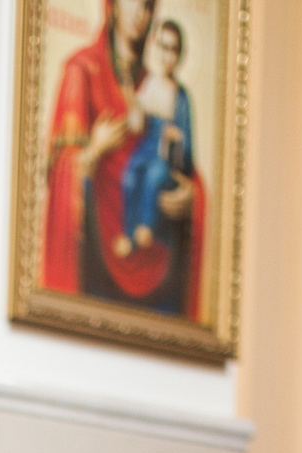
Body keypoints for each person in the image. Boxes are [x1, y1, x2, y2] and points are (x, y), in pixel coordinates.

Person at [41, 0, 205, 318]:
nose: (138, 14)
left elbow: (182, 163)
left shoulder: (159, 87)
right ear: (112, 5)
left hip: (160, 261)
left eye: (146, 5)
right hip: (98, 259)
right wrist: (93, 150)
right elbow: (62, 168)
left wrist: (191, 195)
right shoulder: (82, 69)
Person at [116, 20, 192, 261]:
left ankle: (145, 227)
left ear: (179, 55)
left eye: (173, 49)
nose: (167, 55)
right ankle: (129, 233)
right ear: (155, 47)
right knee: (130, 176)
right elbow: (138, 121)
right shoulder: (150, 84)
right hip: (147, 145)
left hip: (164, 154)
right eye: (163, 47)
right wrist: (130, 96)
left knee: (154, 176)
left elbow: (187, 147)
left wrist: (176, 137)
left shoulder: (180, 97)